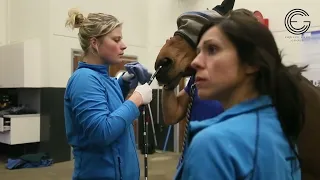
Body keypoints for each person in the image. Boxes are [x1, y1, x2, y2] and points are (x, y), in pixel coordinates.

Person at [176, 9, 305, 180]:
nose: (195, 62)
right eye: (199, 51)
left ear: (251, 63)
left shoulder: (213, 144)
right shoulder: (282, 128)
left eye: (212, 49)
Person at [63, 9, 152, 180]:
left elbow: (106, 104)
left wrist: (124, 82)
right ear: (95, 43)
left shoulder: (102, 78)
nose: (124, 45)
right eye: (116, 39)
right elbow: (102, 132)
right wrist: (137, 99)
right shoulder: (84, 80)